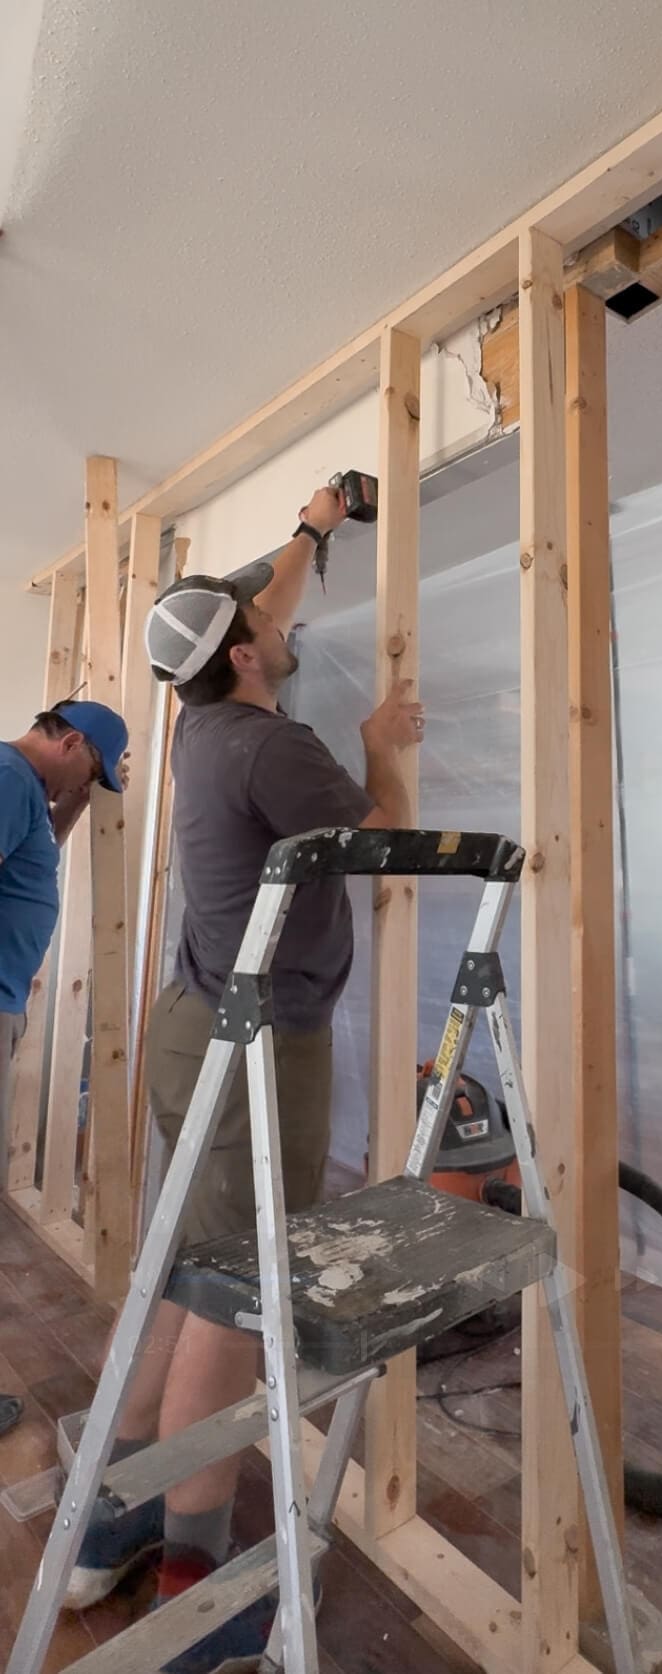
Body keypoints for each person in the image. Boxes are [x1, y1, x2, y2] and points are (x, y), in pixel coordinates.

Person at [68, 485, 423, 1673]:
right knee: (234, 1301)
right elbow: (384, 846)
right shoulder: (276, 745)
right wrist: (382, 751)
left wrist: (316, 528)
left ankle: (110, 1514)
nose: (277, 622)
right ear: (239, 656)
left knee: (187, 1268)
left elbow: (252, 613)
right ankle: (196, 1578)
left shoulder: (201, 723)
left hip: (195, 1028)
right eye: (256, 621)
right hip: (260, 1047)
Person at [0, 700, 129, 1441]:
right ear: (71, 741)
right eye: (90, 769)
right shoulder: (10, 777)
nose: (89, 780)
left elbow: (27, 857)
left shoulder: (23, 791)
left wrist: (73, 809)